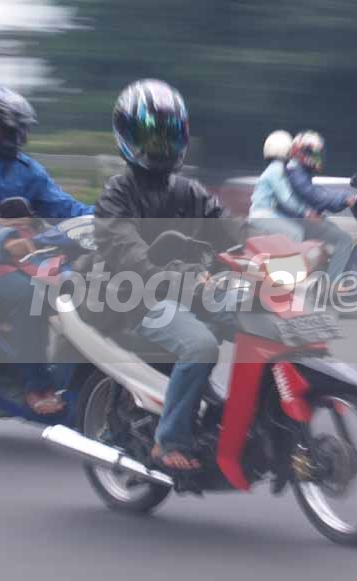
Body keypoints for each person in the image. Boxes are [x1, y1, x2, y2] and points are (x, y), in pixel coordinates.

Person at [88, 79, 243, 472]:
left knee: (262, 317)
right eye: (149, 136)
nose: (160, 145)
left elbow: (233, 231)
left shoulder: (190, 192)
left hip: (193, 291)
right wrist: (186, 279)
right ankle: (168, 441)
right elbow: (135, 263)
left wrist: (288, 250)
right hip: (137, 300)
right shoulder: (116, 197)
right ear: (127, 137)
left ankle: (252, 416)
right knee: (200, 345)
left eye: (168, 135)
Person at [0, 86, 93, 415]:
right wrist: (4, 239)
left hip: (32, 257)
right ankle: (36, 385)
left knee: (83, 287)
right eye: (6, 129)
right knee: (30, 297)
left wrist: (108, 215)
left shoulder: (28, 169)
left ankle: (75, 375)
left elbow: (63, 206)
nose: (14, 135)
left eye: (19, 128)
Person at [284, 131, 357, 285]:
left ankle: (325, 275)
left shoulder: (297, 171)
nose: (318, 158)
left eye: (318, 154)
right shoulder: (295, 172)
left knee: (333, 229)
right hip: (299, 221)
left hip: (300, 219)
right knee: (344, 240)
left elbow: (316, 193)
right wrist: (343, 199)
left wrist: (342, 199)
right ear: (301, 153)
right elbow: (312, 195)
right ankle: (332, 284)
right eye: (314, 154)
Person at [248, 130, 316, 241]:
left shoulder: (274, 168)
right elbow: (286, 199)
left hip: (264, 214)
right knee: (296, 233)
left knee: (296, 228)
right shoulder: (277, 170)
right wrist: (306, 212)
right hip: (264, 215)